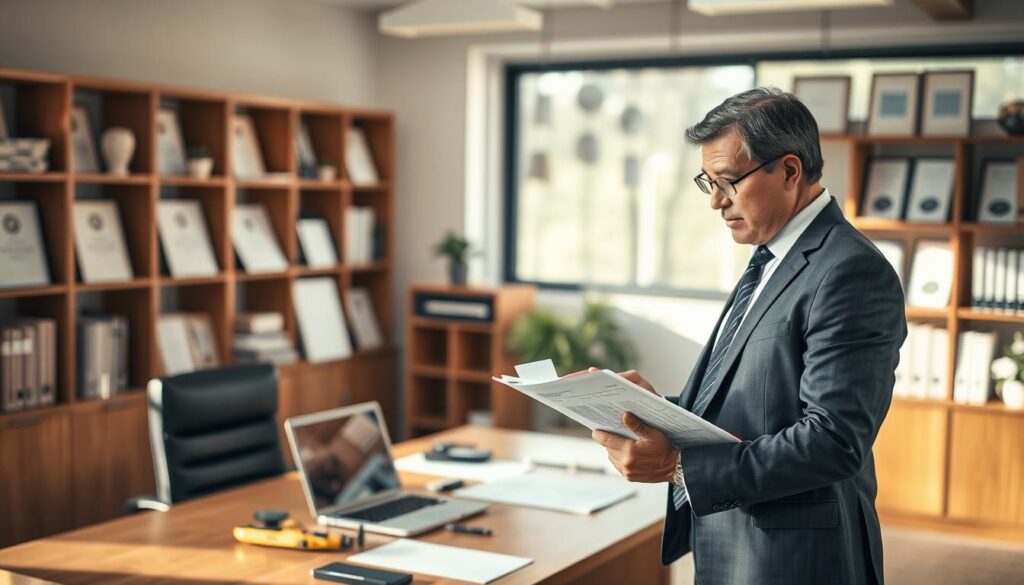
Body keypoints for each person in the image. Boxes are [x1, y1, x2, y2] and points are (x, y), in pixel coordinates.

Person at [591, 87, 906, 585]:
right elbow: (755, 403)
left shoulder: (850, 270)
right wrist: (651, 411)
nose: (716, 201)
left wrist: (677, 465)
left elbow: (834, 440)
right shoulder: (771, 256)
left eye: (729, 182)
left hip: (795, 557)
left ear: (788, 170)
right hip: (735, 537)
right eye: (708, 182)